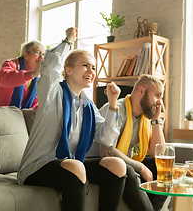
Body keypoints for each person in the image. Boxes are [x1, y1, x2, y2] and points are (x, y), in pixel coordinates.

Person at [18, 27, 127, 211]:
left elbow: (107, 140)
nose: (91, 71)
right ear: (68, 70)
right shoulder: (53, 93)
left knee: (117, 165)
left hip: (72, 165)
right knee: (76, 166)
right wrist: (68, 40)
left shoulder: (88, 106)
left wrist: (113, 104)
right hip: (37, 167)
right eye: (85, 65)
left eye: (93, 67)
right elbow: (49, 67)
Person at [87, 74, 167, 211]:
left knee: (161, 166)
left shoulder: (143, 118)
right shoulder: (118, 109)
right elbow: (106, 151)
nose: (160, 102)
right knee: (129, 169)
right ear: (141, 91)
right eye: (157, 95)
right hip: (96, 162)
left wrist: (156, 120)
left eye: (161, 97)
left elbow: (157, 153)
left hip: (122, 161)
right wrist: (140, 167)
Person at [0, 40, 45, 109]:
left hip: (5, 111)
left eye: (43, 54)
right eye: (38, 53)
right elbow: (3, 78)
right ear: (26, 55)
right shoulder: (13, 64)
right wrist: (32, 74)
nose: (41, 57)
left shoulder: (36, 78)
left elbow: (33, 103)